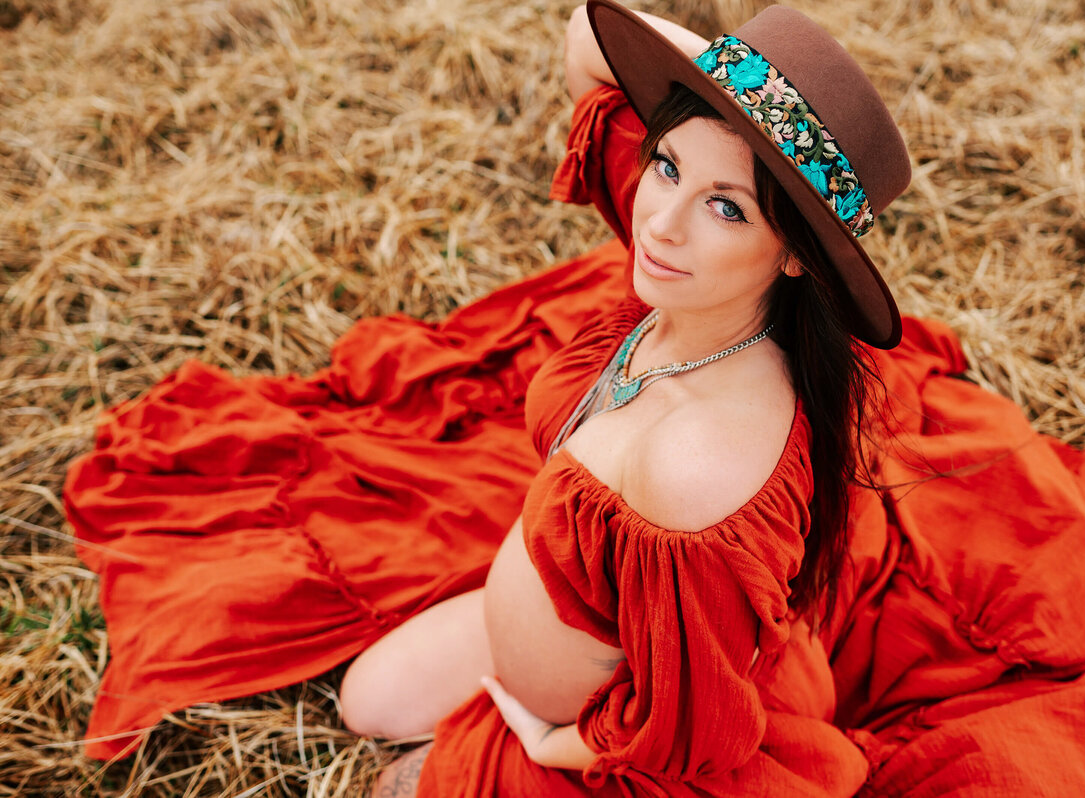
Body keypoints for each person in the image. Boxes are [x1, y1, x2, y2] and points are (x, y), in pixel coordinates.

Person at [339, 0, 910, 794]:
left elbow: (691, 729)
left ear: (793, 257)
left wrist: (552, 744)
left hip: (595, 722)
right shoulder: (694, 282)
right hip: (554, 613)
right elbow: (587, 39)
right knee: (366, 702)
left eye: (728, 207)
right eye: (667, 163)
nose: (660, 223)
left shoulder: (698, 467)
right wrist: (736, 90)